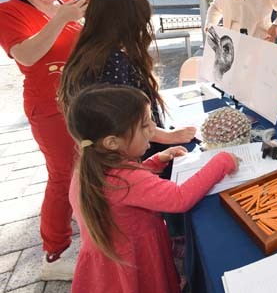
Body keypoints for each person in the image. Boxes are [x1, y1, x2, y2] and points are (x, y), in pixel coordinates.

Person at [66, 84, 238, 293]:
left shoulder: (88, 167)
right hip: (137, 259)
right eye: (144, 126)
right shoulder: (127, 180)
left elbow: (122, 192)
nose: (152, 129)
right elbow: (179, 198)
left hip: (113, 256)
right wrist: (222, 161)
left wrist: (154, 162)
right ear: (112, 142)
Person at [0, 0, 87, 280]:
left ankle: (91, 230)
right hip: (49, 106)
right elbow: (26, 55)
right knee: (62, 174)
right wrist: (62, 20)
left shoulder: (65, 6)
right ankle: (54, 254)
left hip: (82, 99)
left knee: (90, 167)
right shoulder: (10, 12)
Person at [58, 0, 196, 174]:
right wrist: (167, 136)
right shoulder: (113, 61)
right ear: (125, 24)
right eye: (141, 23)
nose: (144, 29)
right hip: (136, 157)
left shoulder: (88, 55)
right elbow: (124, 118)